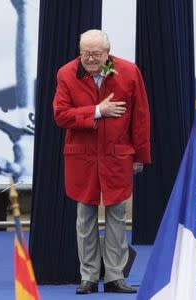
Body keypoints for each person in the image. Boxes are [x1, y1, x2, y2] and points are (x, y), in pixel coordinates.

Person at [53, 29, 151, 294]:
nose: (90, 59)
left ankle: (115, 277)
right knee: (85, 220)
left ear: (107, 52)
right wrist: (98, 111)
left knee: (117, 217)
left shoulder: (129, 72)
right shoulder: (66, 74)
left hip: (117, 156)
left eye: (96, 54)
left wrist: (140, 155)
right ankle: (88, 276)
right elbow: (61, 115)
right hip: (82, 159)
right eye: (85, 53)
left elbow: (140, 117)